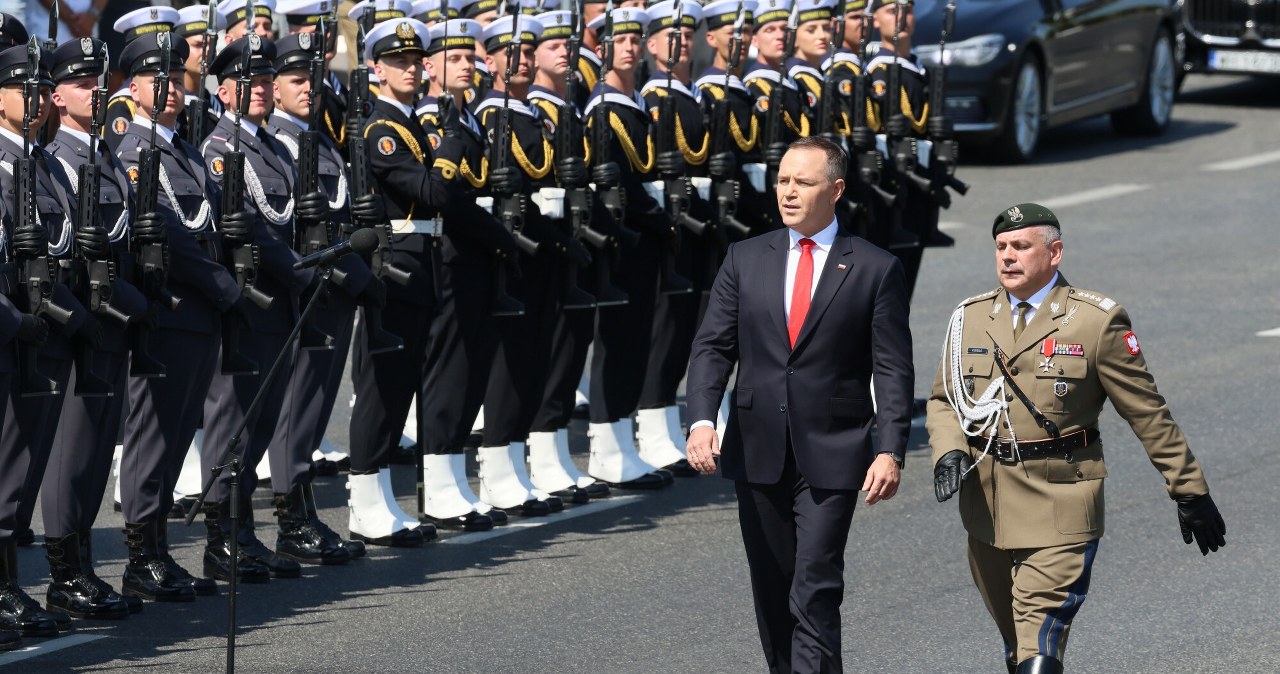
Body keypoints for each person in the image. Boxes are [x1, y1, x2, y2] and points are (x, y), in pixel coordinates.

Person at [926, 203, 1227, 674]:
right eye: (1001, 247)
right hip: (987, 508)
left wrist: (1188, 489)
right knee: (1018, 645)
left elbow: (1147, 412)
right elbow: (945, 400)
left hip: (1061, 502)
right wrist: (947, 452)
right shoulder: (970, 318)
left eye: (1021, 247)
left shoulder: (1095, 321)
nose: (1007, 256)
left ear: (1055, 252)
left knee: (1040, 645)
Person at [685, 136, 912, 673]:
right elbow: (713, 346)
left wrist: (891, 449)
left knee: (814, 588)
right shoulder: (745, 257)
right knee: (773, 591)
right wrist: (701, 420)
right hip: (756, 447)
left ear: (835, 190)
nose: (787, 192)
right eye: (783, 179)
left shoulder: (874, 268)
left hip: (832, 453)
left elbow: (892, 368)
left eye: (802, 183)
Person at [42, 35, 150, 621]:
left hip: (114, 320)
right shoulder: (56, 158)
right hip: (86, 320)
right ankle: (63, 573)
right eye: (80, 83)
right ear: (55, 96)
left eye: (96, 81)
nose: (92, 90)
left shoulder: (104, 154)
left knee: (97, 442)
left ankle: (82, 563)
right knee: (74, 451)